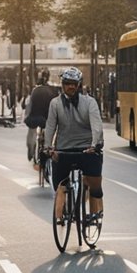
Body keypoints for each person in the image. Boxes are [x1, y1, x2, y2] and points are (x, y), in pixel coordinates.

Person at [44, 66, 105, 225]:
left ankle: (95, 213)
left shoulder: (90, 102)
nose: (71, 86)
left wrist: (94, 145)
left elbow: (96, 125)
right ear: (62, 84)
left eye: (74, 83)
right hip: (63, 150)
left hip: (87, 150)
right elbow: (50, 126)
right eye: (67, 83)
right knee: (59, 184)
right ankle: (60, 215)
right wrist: (48, 146)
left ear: (79, 85)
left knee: (95, 184)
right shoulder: (55, 104)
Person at [24, 70, 58, 167]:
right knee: (49, 133)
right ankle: (47, 148)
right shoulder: (52, 90)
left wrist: (27, 116)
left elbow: (29, 105)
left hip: (34, 117)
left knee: (31, 132)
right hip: (47, 119)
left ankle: (31, 148)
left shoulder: (35, 91)